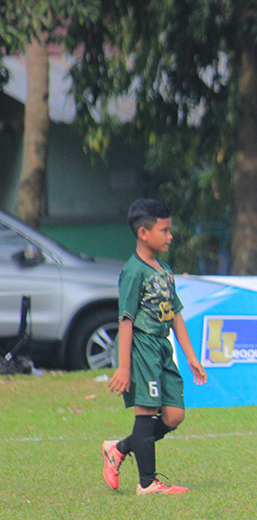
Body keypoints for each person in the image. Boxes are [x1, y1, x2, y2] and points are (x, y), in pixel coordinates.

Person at [100, 198, 207, 496]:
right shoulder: (133, 272)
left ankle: (118, 449)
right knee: (146, 412)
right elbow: (125, 321)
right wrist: (124, 367)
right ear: (144, 233)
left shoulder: (164, 269)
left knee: (174, 416)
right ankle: (147, 483)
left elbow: (175, 315)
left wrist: (191, 356)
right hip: (143, 347)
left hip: (163, 347)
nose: (170, 236)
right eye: (165, 230)